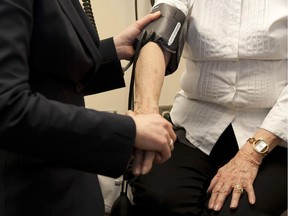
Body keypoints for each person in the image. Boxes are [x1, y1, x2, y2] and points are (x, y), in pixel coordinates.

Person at [0, 0, 177, 216]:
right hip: (31, 190)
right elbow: (7, 107)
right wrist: (128, 130)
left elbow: (46, 74)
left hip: (68, 175)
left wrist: (112, 50)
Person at [131, 0, 287, 215]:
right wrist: (146, 114)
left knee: (237, 211)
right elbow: (157, 37)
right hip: (195, 127)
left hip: (273, 135)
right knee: (159, 200)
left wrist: (251, 154)